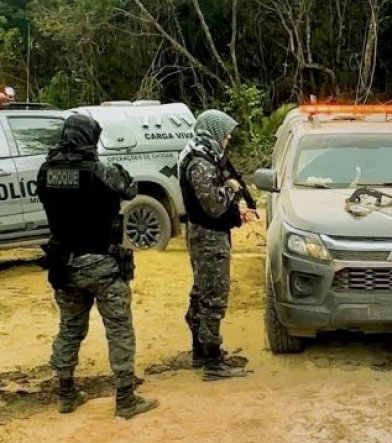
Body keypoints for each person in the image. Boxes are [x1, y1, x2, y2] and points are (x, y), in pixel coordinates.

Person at [38, 114, 158, 419]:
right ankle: (126, 400)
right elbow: (129, 188)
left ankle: (66, 394)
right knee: (118, 329)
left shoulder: (46, 169)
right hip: (102, 263)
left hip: (64, 263)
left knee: (69, 327)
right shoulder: (97, 170)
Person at [178, 109, 256, 381]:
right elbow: (213, 205)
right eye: (225, 132)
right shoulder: (200, 162)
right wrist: (232, 187)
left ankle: (202, 351)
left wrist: (236, 214)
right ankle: (212, 361)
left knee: (203, 291)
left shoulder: (203, 155)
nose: (228, 137)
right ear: (213, 132)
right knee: (213, 296)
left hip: (206, 234)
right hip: (209, 237)